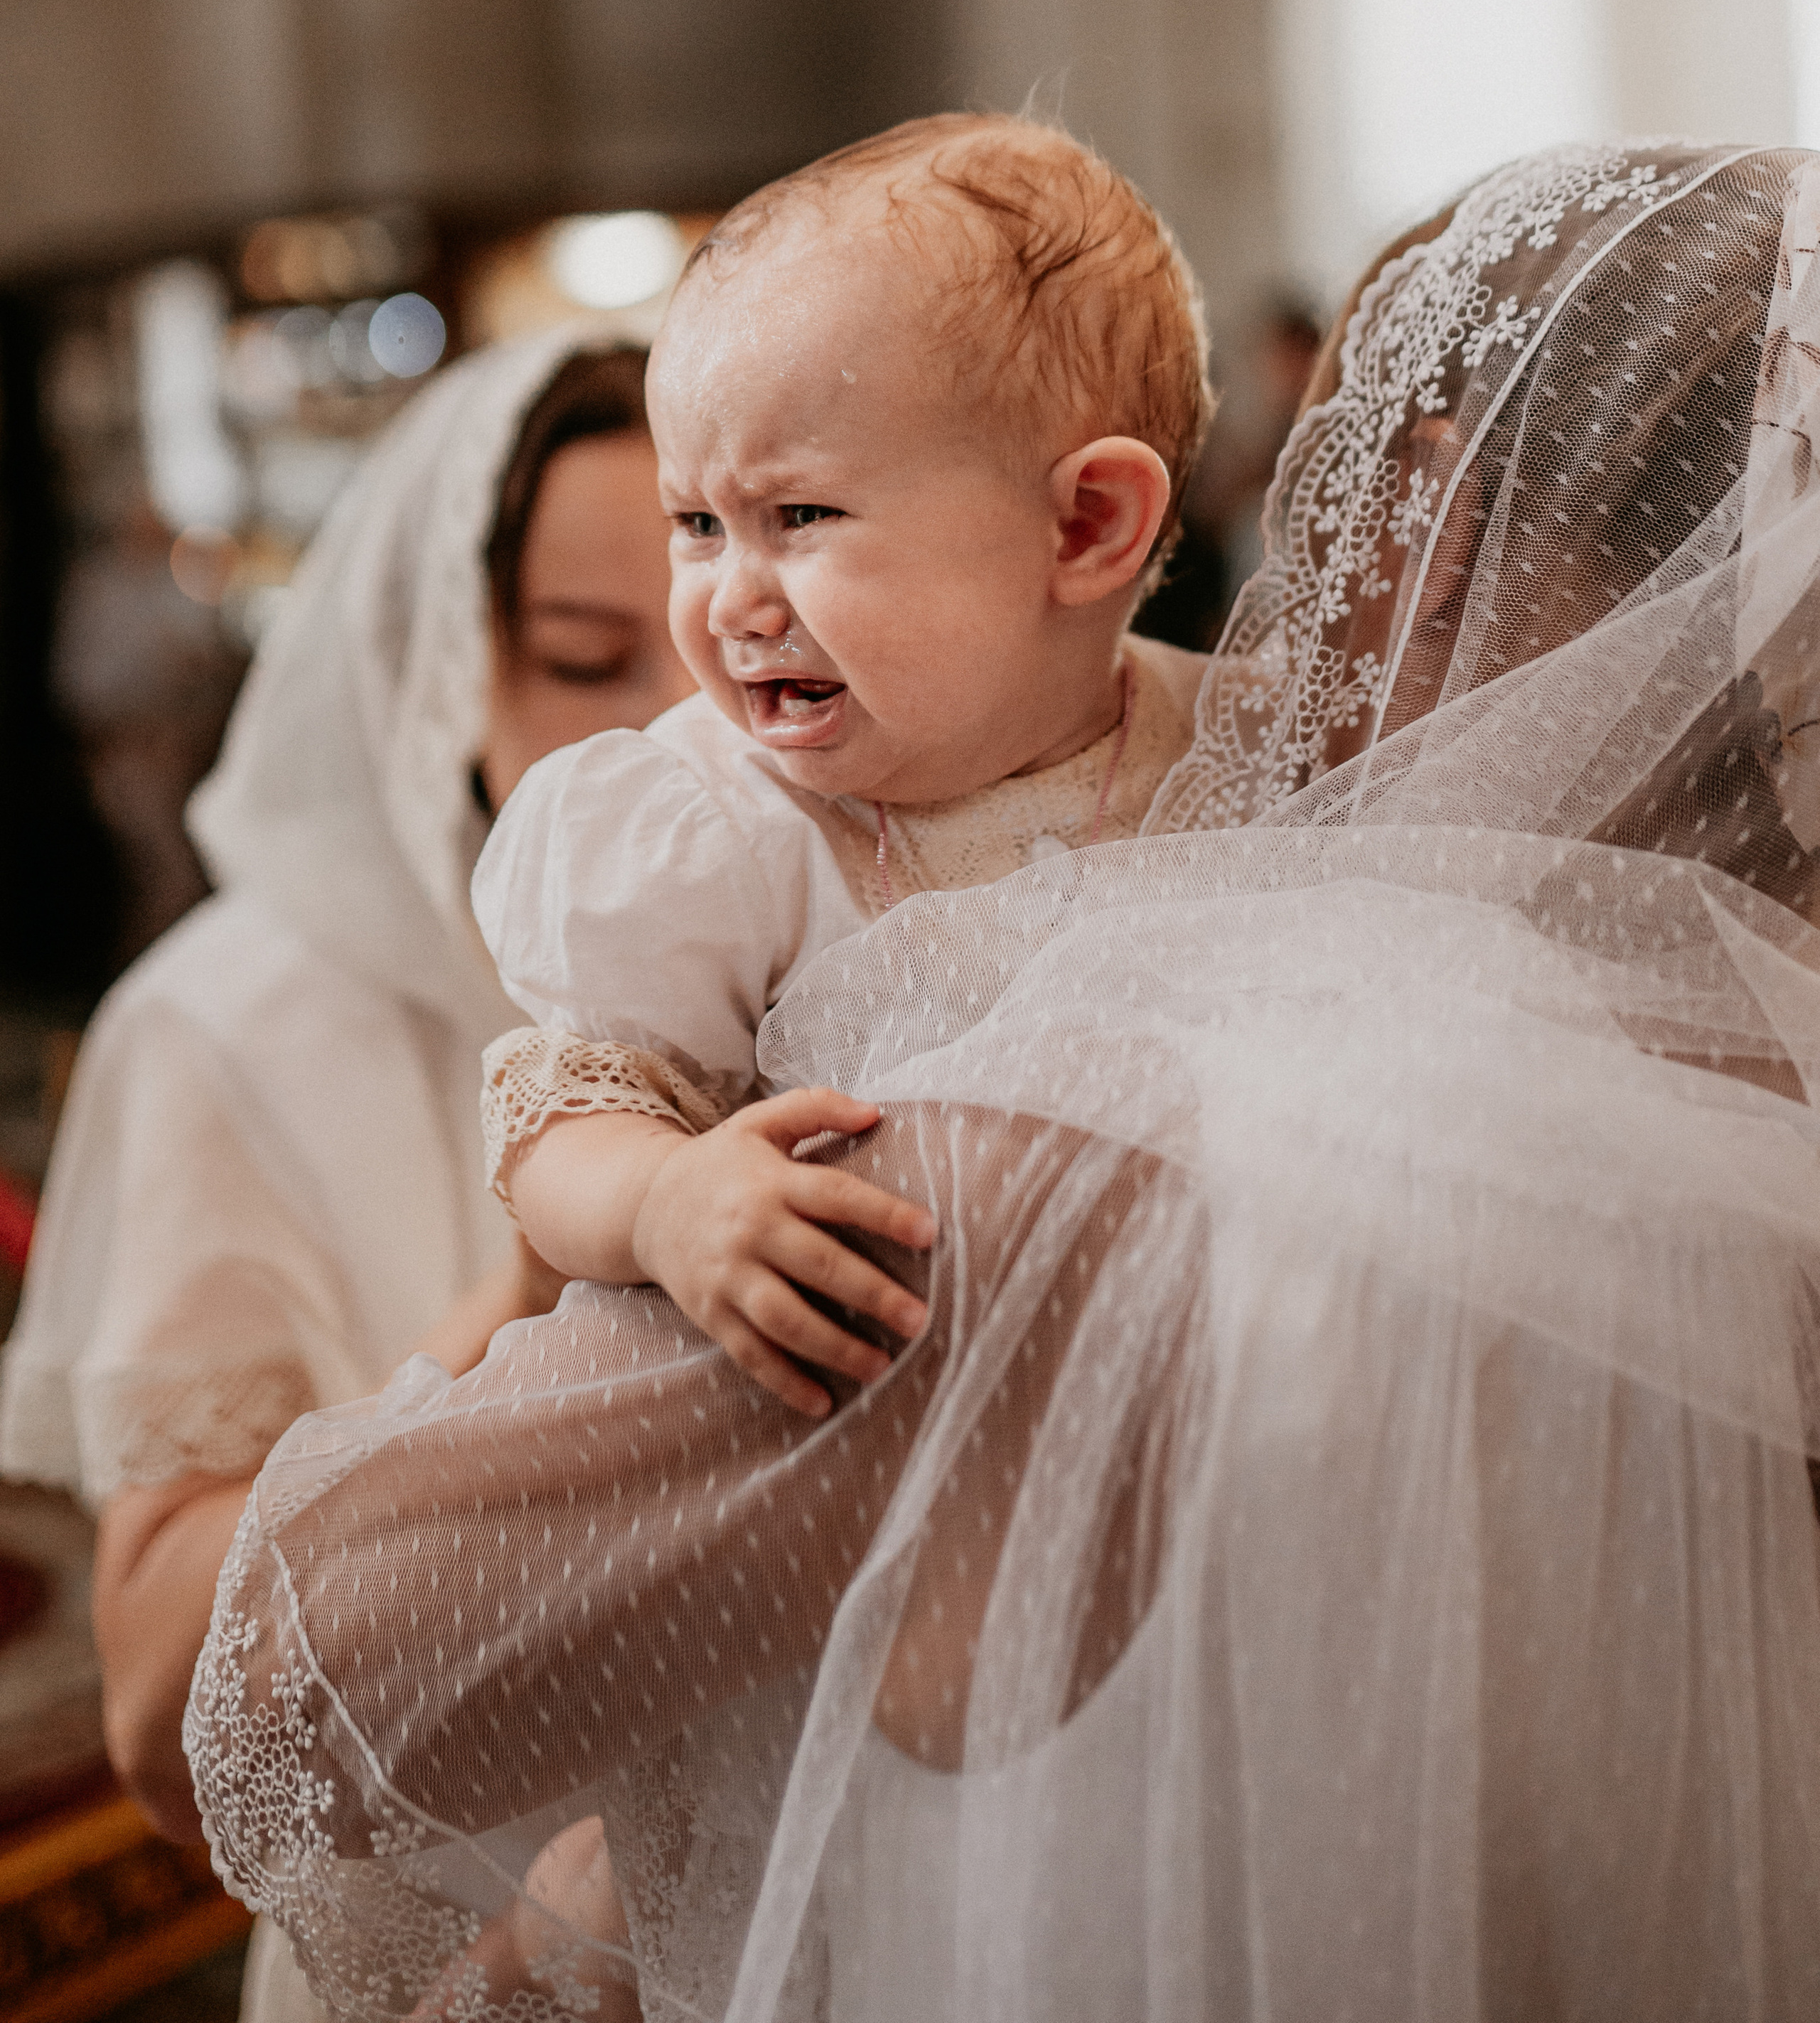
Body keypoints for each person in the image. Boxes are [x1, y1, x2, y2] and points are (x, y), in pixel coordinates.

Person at [188, 144, 1820, 2022]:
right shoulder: (1762, 1124)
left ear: (1427, 522)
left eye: (1329, 470)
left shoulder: (1006, 1188)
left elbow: (304, 1701)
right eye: (700, 525)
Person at [0, 331, 692, 2023]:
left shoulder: (839, 939)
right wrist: (508, 1315)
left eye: (722, 651)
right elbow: (159, 1720)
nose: (673, 740)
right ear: (451, 665)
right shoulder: (232, 1027)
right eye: (586, 661)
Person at [481, 114, 1213, 1420]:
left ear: (1085, 526)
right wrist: (661, 1198)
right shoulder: (720, 824)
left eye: (799, 515)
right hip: (859, 1418)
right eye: (698, 524)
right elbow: (562, 1119)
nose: (730, 600)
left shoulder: (1234, 736)